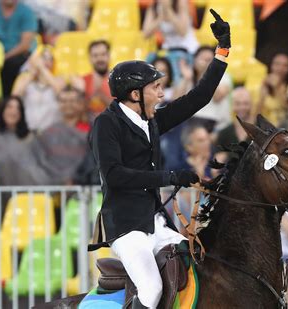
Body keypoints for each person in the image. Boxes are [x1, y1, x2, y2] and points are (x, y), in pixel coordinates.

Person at [90, 10, 230, 308]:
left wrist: (222, 51)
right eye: (155, 88)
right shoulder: (107, 124)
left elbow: (198, 98)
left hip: (156, 223)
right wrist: (169, 177)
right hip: (126, 227)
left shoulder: (150, 120)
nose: (162, 93)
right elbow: (114, 174)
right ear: (135, 94)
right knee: (151, 289)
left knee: (198, 264)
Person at [0, 96, 48, 186]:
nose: (13, 111)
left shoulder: (30, 137)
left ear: (21, 113)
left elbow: (40, 166)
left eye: (18, 108)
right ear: (2, 110)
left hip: (24, 191)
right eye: (9, 107)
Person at [0, 0, 38, 97]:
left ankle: (9, 100)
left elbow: (25, 45)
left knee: (10, 65)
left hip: (18, 54)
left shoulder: (27, 13)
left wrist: (3, 57)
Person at [142, 0, 199, 82]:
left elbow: (183, 31)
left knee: (176, 68)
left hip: (187, 50)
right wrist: (160, 17)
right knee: (150, 60)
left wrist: (168, 10)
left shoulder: (181, 3)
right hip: (168, 50)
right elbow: (146, 33)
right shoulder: (153, 6)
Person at [12, 46, 65, 132]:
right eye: (43, 57)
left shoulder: (59, 79)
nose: (47, 61)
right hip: (28, 130)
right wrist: (32, 73)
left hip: (52, 132)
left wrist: (42, 68)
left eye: (50, 59)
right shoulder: (25, 78)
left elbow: (61, 93)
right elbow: (15, 97)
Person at [191, 45, 233, 133]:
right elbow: (174, 99)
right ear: (195, 61)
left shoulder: (224, 77)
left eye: (209, 60)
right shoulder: (190, 77)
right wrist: (187, 78)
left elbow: (218, 97)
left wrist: (204, 73)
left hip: (217, 126)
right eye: (203, 59)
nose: (206, 62)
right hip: (193, 123)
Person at [255, 53, 288, 126]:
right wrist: (262, 96)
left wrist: (276, 88)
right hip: (265, 127)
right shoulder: (262, 83)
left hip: (285, 126)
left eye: (285, 65)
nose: (280, 68)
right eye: (277, 64)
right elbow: (256, 115)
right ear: (271, 66)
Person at [73, 40, 113, 117]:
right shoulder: (82, 81)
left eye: (103, 54)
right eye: (95, 55)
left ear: (109, 56)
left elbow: (122, 111)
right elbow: (78, 113)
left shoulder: (117, 80)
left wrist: (100, 94)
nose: (99, 59)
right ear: (90, 58)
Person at [215, 87, 253, 162]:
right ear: (232, 105)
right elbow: (218, 159)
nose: (242, 107)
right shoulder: (224, 133)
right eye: (238, 103)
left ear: (251, 105)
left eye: (245, 103)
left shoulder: (260, 131)